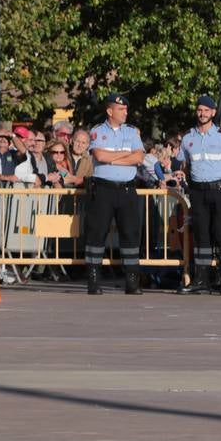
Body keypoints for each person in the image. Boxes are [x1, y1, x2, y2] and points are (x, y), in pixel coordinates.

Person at [174, 95, 221, 295]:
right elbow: (184, 165)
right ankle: (201, 279)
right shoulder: (188, 138)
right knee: (201, 235)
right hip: (198, 192)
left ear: (213, 113)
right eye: (199, 110)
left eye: (206, 110)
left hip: (219, 191)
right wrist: (181, 173)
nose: (202, 114)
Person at [85, 92, 147, 295]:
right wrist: (123, 154)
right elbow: (99, 155)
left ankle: (132, 280)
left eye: (126, 109)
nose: (125, 112)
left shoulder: (131, 133)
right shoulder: (97, 131)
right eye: (121, 109)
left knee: (130, 234)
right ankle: (94, 280)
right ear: (109, 111)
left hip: (127, 189)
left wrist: (112, 159)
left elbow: (138, 158)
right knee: (97, 233)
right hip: (103, 189)